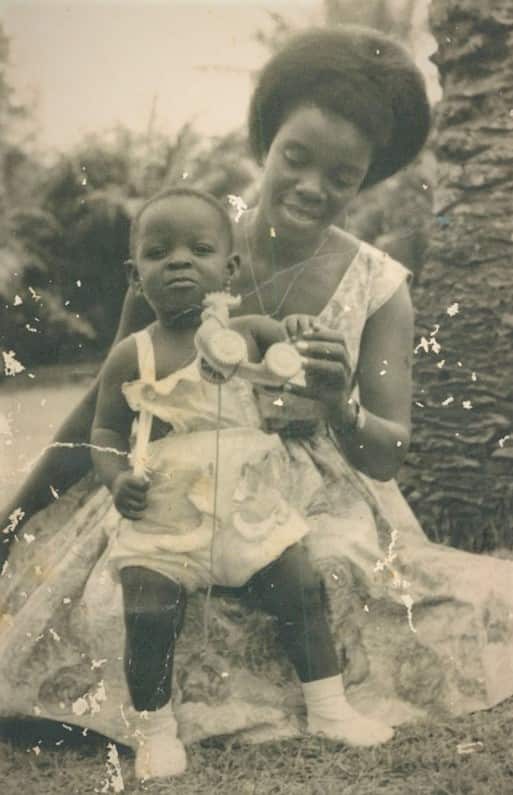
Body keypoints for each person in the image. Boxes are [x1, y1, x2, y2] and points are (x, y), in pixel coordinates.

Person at [2, 25, 513, 754]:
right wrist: (16, 516)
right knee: (114, 594)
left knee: (329, 577)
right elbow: (107, 398)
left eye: (341, 176)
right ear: (265, 142)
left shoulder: (379, 287)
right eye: (295, 158)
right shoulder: (183, 240)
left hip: (309, 500)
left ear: (366, 178)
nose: (312, 187)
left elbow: (385, 454)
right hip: (173, 481)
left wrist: (337, 405)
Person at [89, 185, 392, 779]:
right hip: (165, 516)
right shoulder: (133, 354)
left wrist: (300, 328)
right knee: (148, 608)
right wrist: (115, 476)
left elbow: (297, 354)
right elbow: (103, 429)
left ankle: (329, 707)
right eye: (159, 252)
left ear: (228, 268)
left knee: (301, 586)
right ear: (135, 273)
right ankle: (155, 730)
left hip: (250, 508)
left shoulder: (250, 330)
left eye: (199, 249)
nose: (179, 261)